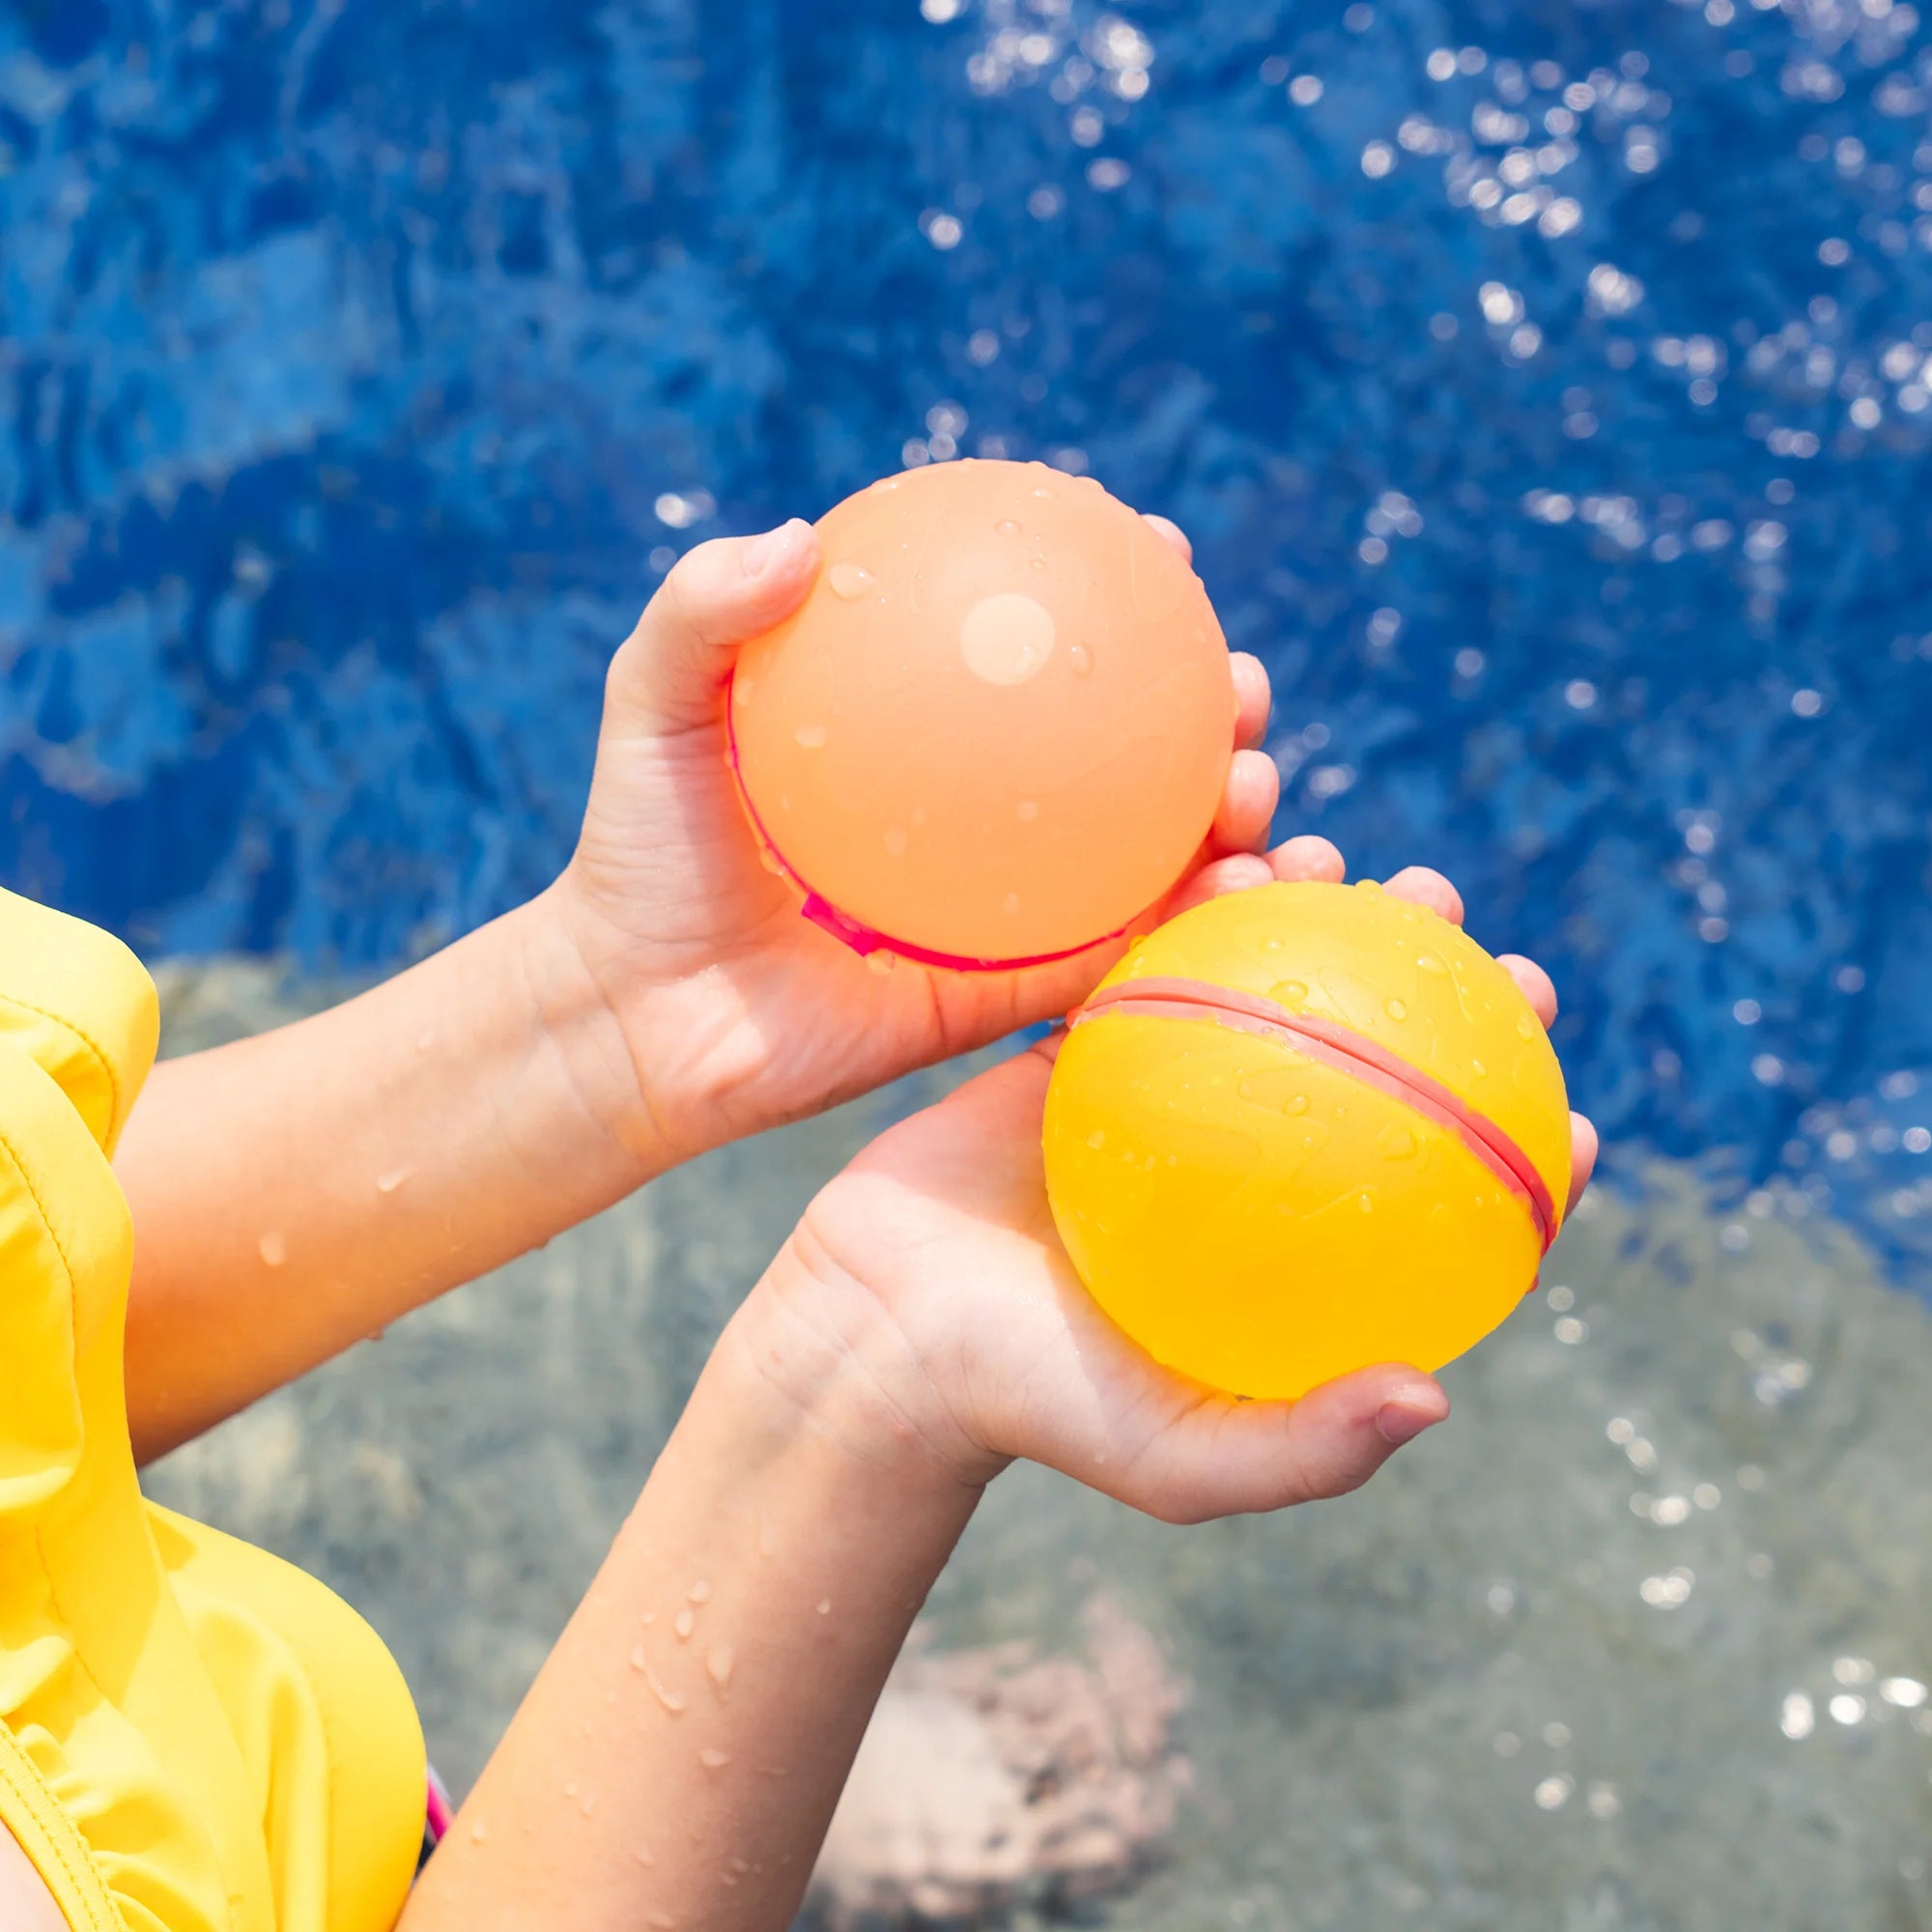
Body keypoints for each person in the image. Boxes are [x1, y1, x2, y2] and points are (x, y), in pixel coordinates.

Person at [0, 514, 1597, 1932]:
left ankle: (598, 1814)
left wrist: (615, 1016)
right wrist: (857, 1400)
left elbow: (32, 1325)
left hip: (229, 1757)